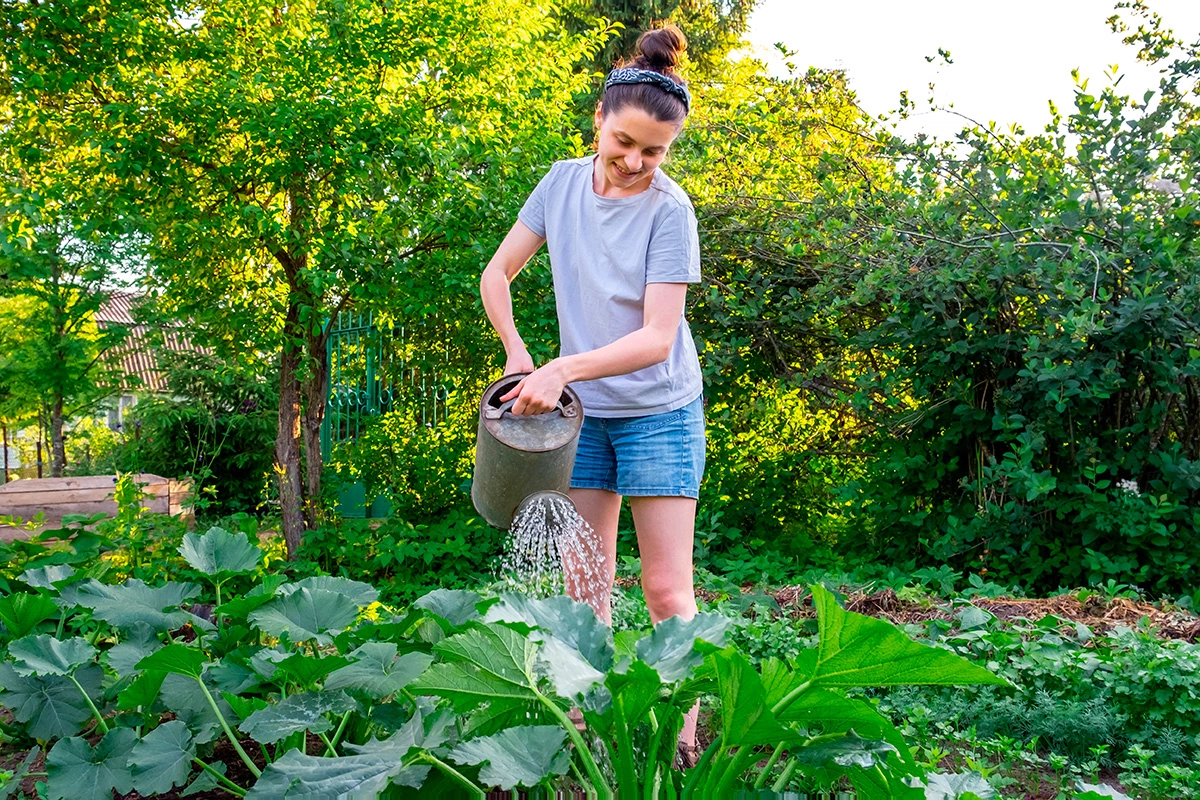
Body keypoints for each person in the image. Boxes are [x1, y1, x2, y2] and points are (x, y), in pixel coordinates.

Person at [479, 24, 705, 762]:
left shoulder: (670, 211)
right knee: (588, 584)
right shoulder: (560, 182)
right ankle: (588, 724)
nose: (637, 162)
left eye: (655, 151)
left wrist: (561, 370)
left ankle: (683, 736)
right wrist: (519, 353)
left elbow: (656, 339)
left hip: (659, 414)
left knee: (668, 594)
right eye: (626, 144)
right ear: (599, 121)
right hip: (587, 419)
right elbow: (497, 274)